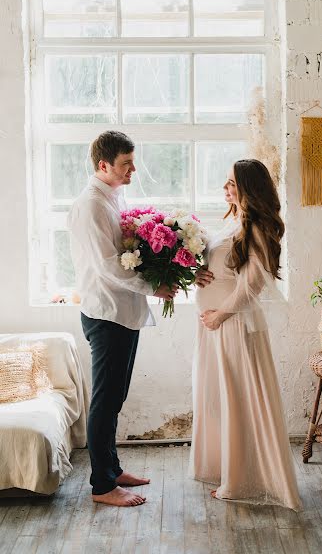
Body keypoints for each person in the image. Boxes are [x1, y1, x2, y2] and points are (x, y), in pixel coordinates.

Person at [68, 131, 177, 507]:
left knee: (115, 398)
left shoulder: (113, 195)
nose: (134, 169)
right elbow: (109, 267)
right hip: (106, 313)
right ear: (103, 165)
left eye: (133, 161)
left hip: (122, 312)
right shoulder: (91, 205)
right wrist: (155, 285)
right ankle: (102, 487)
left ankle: (112, 469)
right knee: (105, 400)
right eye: (126, 164)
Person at [189, 159, 301, 509]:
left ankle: (243, 480)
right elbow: (221, 269)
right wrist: (197, 275)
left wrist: (221, 315)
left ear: (249, 189)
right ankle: (225, 468)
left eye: (232, 184)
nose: (225, 189)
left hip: (234, 325)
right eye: (225, 183)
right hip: (215, 326)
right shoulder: (233, 224)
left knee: (240, 401)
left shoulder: (258, 228)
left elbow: (251, 284)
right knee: (220, 400)